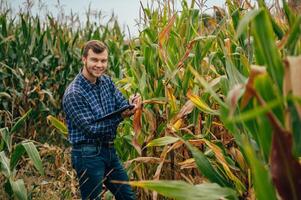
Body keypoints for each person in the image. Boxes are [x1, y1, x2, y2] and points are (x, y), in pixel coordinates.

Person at [62, 40, 140, 200]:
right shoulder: (74, 93)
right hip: (87, 154)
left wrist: (132, 104)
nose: (99, 65)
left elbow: (121, 105)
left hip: (109, 150)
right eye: (94, 60)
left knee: (127, 196)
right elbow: (92, 129)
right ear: (84, 59)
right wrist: (121, 116)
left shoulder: (106, 82)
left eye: (103, 60)